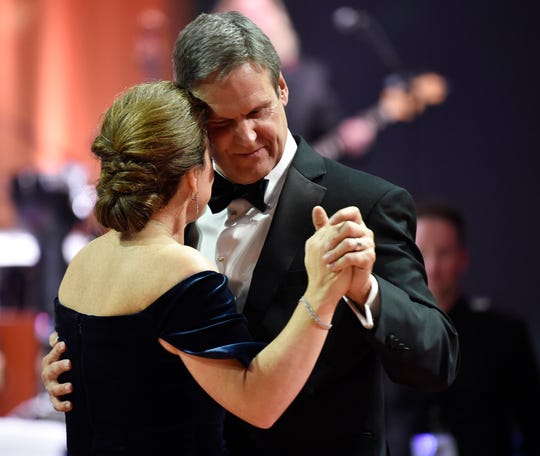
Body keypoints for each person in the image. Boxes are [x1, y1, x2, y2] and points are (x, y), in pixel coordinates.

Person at [43, 12, 459, 455]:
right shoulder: (172, 208)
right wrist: (82, 369)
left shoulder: (365, 201)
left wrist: (366, 291)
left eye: (258, 111)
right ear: (191, 116)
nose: (246, 137)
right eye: (221, 123)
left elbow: (438, 359)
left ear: (282, 88)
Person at [51, 80, 358, 454]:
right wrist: (323, 291)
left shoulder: (84, 260)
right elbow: (259, 402)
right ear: (192, 175)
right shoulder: (181, 272)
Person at [385, 200, 540, 456]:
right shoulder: (379, 332)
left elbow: (533, 423)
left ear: (462, 258)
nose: (433, 267)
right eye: (423, 252)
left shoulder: (504, 333)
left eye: (444, 253)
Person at [212, 0, 448, 161]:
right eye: (245, 15)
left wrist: (353, 139)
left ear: (279, 19)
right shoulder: (209, 82)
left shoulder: (310, 79)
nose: (257, 22)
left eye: (262, 13)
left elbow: (331, 136)